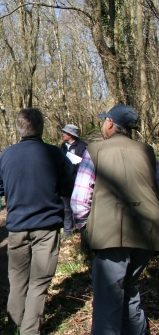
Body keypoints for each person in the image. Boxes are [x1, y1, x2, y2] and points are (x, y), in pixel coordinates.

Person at [71, 105, 159, 335]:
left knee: (107, 300)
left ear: (110, 123)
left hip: (110, 235)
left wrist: (86, 229)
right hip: (148, 231)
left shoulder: (95, 151)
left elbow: (80, 200)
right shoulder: (147, 151)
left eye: (104, 121)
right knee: (130, 291)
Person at [0, 108, 74, 335]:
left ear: (18, 128)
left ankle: (17, 326)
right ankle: (28, 330)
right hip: (46, 226)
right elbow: (68, 186)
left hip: (17, 227)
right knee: (38, 282)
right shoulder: (55, 154)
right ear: (42, 127)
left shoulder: (7, 155)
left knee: (18, 282)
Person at [59, 124, 88, 238]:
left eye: (64, 132)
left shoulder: (83, 146)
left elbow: (86, 165)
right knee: (66, 207)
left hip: (79, 182)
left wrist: (74, 165)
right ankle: (68, 230)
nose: (62, 134)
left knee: (80, 205)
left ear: (71, 134)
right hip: (65, 183)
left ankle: (82, 227)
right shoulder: (62, 147)